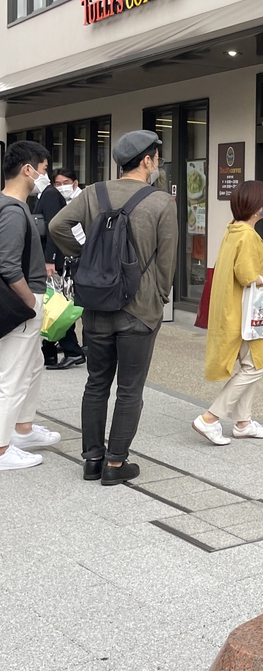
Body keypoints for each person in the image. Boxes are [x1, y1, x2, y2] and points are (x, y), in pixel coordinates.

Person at [49, 130, 177, 485]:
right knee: (130, 388)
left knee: (96, 383)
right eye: (156, 158)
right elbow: (166, 262)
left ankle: (92, 459)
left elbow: (58, 225)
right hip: (139, 309)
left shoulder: (94, 192)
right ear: (147, 161)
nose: (157, 164)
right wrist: (158, 297)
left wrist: (86, 255)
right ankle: (116, 463)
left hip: (96, 305)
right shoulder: (161, 202)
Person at [193, 180, 263, 445]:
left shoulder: (234, 230)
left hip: (234, 310)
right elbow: (246, 276)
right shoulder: (248, 235)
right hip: (247, 313)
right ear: (255, 207)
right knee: (255, 366)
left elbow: (242, 268)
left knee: (249, 365)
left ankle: (243, 423)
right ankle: (210, 418)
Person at [0, 141, 62, 471]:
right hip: (22, 300)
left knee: (33, 365)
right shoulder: (13, 210)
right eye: (43, 169)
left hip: (24, 298)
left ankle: (22, 429)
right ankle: (2, 448)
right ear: (28, 169)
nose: (45, 176)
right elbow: (9, 266)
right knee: (12, 375)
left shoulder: (12, 205)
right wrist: (29, 301)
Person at [38, 167, 86, 370]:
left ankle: (72, 350)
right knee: (55, 303)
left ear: (75, 183)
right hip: (63, 258)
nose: (61, 187)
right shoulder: (52, 196)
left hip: (69, 258)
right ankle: (54, 348)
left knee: (58, 304)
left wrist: (50, 260)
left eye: (65, 183)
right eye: (57, 183)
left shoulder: (78, 200)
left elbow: (53, 229)